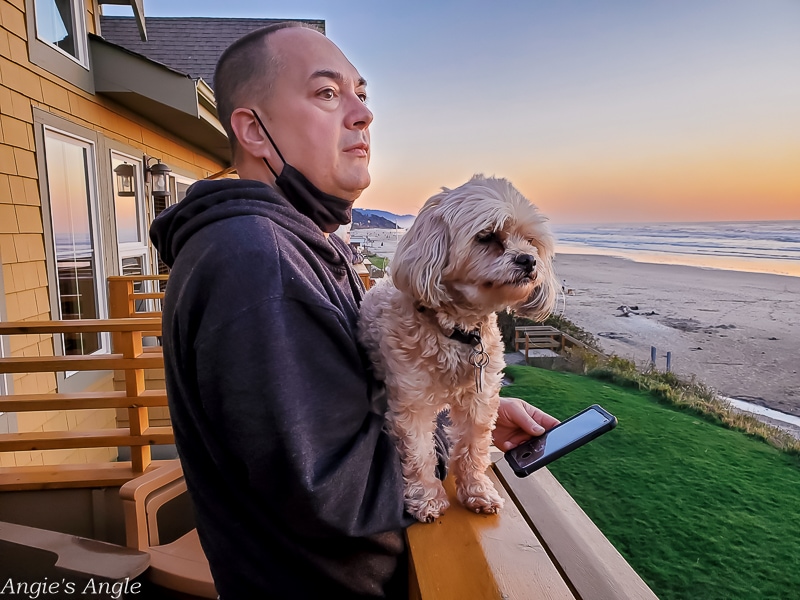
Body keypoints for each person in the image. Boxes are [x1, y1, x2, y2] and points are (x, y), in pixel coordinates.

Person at [150, 22, 558, 600]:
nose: (364, 114)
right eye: (326, 93)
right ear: (253, 131)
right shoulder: (256, 264)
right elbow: (334, 493)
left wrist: (465, 416)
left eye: (361, 94)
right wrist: (453, 442)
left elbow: (345, 413)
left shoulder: (296, 247)